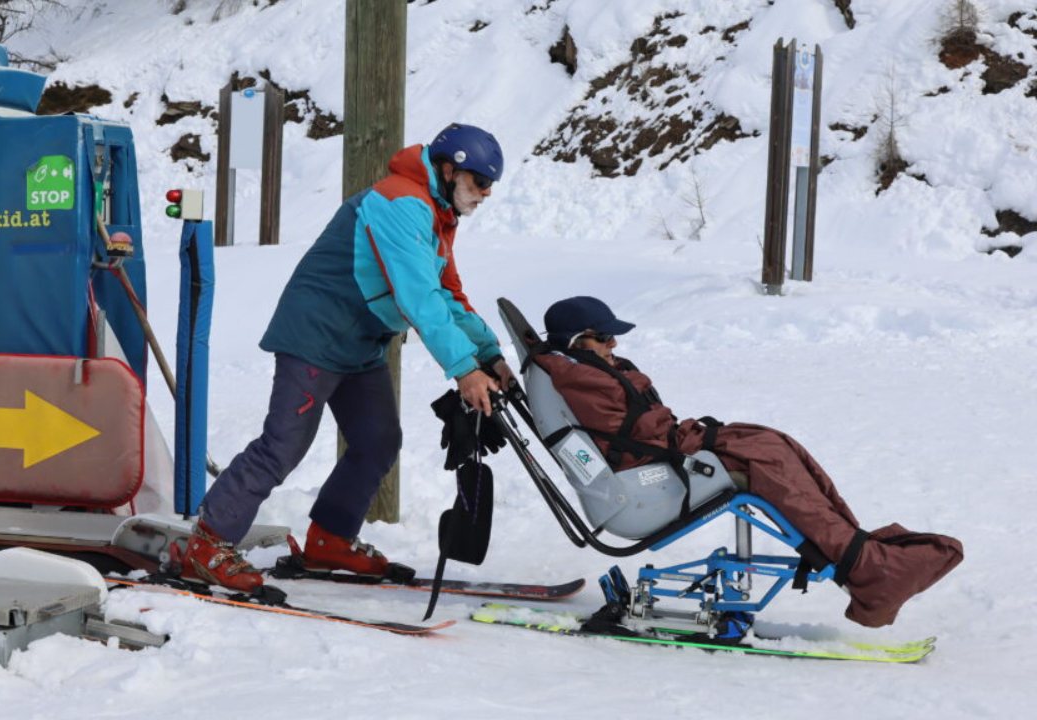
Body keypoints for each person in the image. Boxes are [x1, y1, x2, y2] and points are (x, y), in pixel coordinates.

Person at [178, 123, 517, 593]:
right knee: (283, 446)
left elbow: (448, 293)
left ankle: (329, 540)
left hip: (360, 342)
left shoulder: (437, 215)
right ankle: (208, 543)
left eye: (490, 186)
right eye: (480, 183)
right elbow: (419, 298)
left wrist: (488, 355)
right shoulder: (401, 203)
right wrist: (463, 370)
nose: (485, 195)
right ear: (449, 168)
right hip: (317, 334)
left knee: (378, 440)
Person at [533, 296, 963, 627]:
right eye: (603, 338)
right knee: (769, 466)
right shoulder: (581, 376)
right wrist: (691, 442)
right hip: (645, 490)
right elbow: (635, 432)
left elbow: (634, 424)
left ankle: (858, 551)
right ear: (575, 342)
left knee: (775, 445)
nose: (614, 345)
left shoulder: (581, 369)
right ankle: (868, 569)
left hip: (661, 457)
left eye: (613, 337)